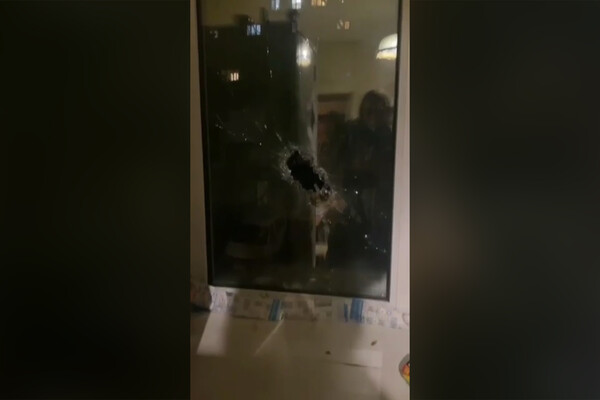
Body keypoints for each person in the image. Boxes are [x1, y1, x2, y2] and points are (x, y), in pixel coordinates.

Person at [327, 91, 395, 268]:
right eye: (373, 111)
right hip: (350, 224)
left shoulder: (388, 138)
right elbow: (334, 172)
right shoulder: (350, 134)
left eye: (381, 111)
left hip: (377, 227)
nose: (377, 116)